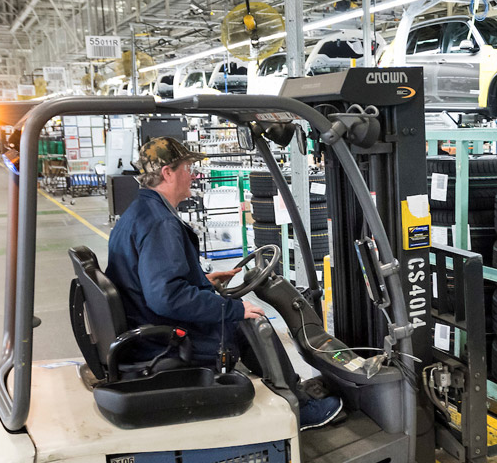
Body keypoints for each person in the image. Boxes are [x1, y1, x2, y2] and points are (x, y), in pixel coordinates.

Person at [106, 136, 342, 430]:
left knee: (238, 312)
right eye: (187, 168)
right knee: (251, 321)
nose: (193, 175)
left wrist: (201, 280)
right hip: (161, 338)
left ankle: (292, 390)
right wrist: (233, 309)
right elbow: (165, 297)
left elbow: (150, 279)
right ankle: (300, 407)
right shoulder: (161, 223)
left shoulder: (139, 213)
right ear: (168, 172)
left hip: (145, 321)